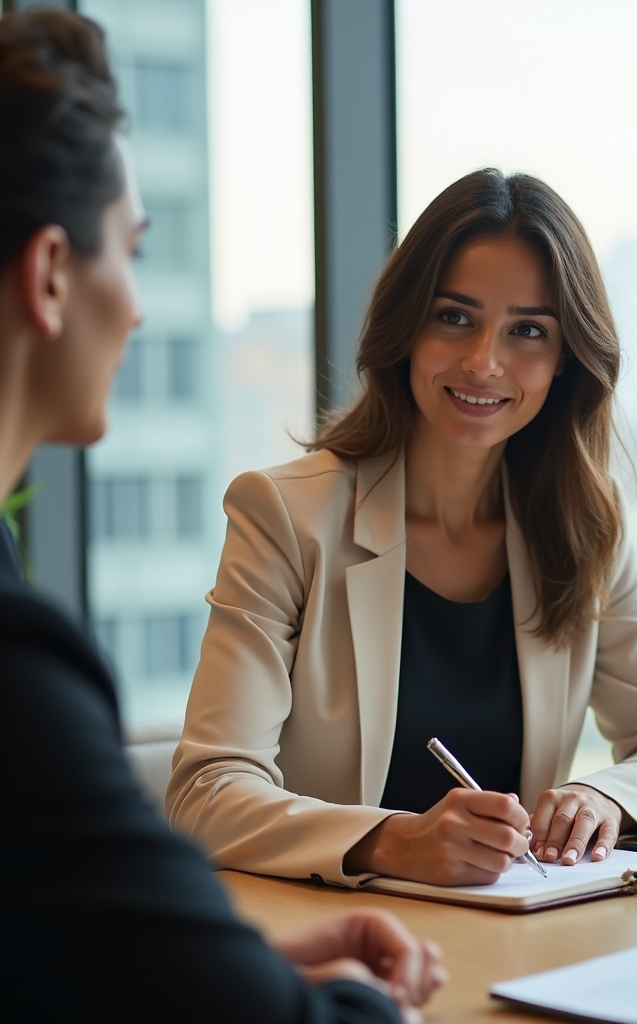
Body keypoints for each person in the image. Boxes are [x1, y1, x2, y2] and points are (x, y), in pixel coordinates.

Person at [0, 10, 444, 1022]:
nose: (141, 306)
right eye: (135, 250)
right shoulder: (16, 657)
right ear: (52, 275)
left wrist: (248, 965)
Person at [167, 167, 637, 889]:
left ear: (564, 362)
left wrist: (603, 796)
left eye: (528, 331)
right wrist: (393, 842)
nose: (484, 362)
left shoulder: (586, 526)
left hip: (511, 939)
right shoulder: (285, 515)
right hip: (335, 945)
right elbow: (206, 791)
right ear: (406, 327)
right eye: (454, 316)